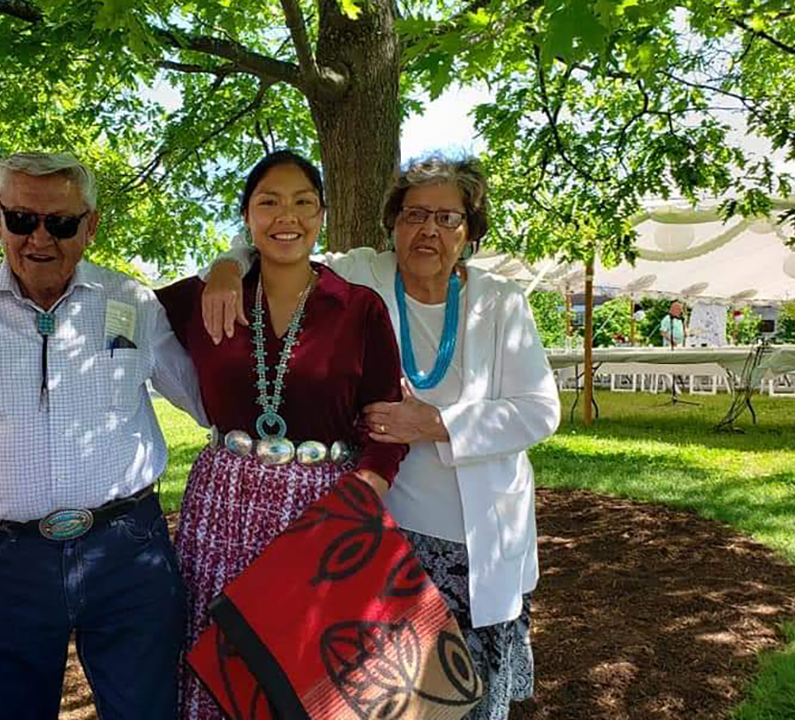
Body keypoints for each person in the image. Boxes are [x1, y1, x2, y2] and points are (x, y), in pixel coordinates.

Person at [202, 152, 561, 720]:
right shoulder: (359, 274)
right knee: (380, 701)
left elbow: (540, 411)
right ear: (393, 222)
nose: (429, 230)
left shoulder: (501, 303)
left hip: (479, 540)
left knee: (468, 699)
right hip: (387, 535)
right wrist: (226, 263)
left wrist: (437, 423)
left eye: (448, 218)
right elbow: (282, 243)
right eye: (416, 214)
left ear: (470, 231)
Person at [0, 152, 207, 720]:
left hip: (130, 552)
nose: (40, 240)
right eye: (22, 220)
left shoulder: (130, 302)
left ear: (92, 225)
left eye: (62, 223)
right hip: (11, 565)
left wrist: (234, 263)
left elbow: (208, 401)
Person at [155, 150, 407, 720]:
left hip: (323, 509)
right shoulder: (204, 297)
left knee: (312, 675)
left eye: (302, 203)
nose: (285, 216)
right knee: (221, 663)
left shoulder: (356, 306)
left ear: (322, 215)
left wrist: (364, 494)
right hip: (224, 506)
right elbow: (108, 306)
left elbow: (386, 418)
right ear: (246, 215)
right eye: (268, 202)